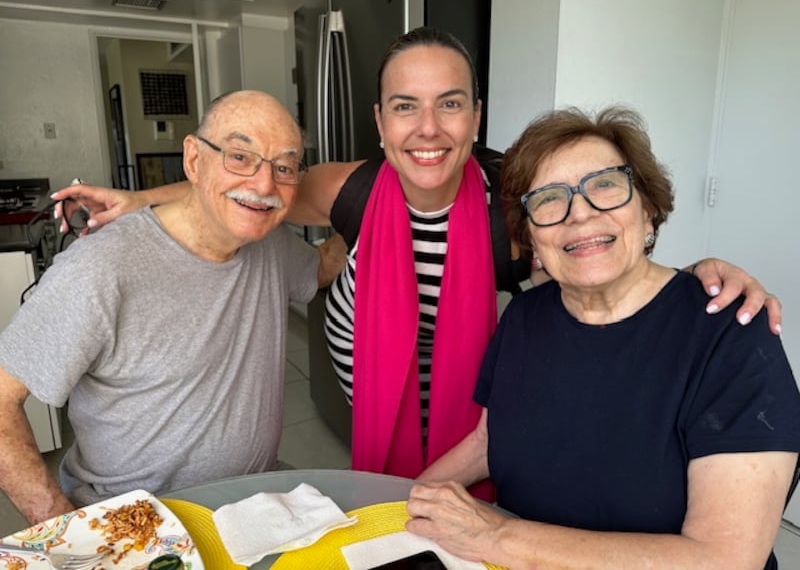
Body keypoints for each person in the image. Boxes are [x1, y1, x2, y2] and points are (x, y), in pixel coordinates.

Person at [51, 28, 781, 492]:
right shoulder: (351, 187)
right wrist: (138, 196)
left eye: (449, 104)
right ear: (379, 120)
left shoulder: (513, 197)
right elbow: (243, 182)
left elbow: (596, 243)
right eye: (405, 106)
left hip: (480, 427)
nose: (427, 129)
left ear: (476, 115)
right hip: (373, 416)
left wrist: (697, 279)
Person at [404, 106, 800, 570]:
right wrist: (400, 508)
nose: (580, 213)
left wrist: (497, 537)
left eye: (606, 184)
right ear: (530, 235)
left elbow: (726, 559)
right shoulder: (525, 317)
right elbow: (488, 440)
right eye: (549, 198)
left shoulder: (732, 334)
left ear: (647, 209)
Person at [0, 90, 346, 525]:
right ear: (194, 160)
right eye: (240, 156)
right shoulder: (100, 268)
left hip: (253, 500)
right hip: (133, 521)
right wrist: (59, 524)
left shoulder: (271, 246)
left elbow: (322, 267)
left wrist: (374, 211)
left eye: (283, 167)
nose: (263, 185)